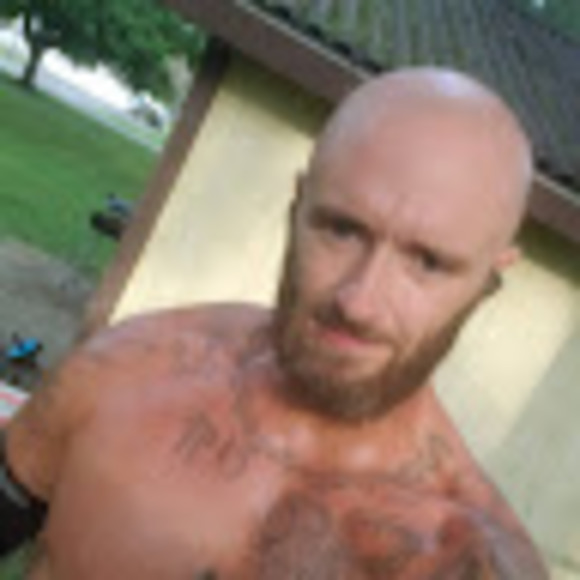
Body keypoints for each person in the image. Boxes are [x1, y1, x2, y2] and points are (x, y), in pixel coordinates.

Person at [1, 68, 549, 579]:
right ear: (297, 207)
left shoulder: (466, 559)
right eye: (341, 229)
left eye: (427, 262)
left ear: (489, 279)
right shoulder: (126, 371)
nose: (359, 302)